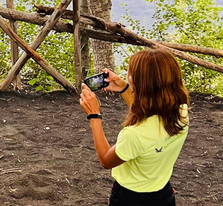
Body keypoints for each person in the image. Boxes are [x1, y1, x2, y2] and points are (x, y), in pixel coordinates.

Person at [79, 48, 190, 206]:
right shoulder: (181, 112)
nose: (127, 76)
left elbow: (105, 160)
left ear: (142, 84)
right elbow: (150, 109)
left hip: (130, 198)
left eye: (130, 74)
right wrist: (124, 87)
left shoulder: (134, 135)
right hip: (163, 192)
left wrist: (94, 115)